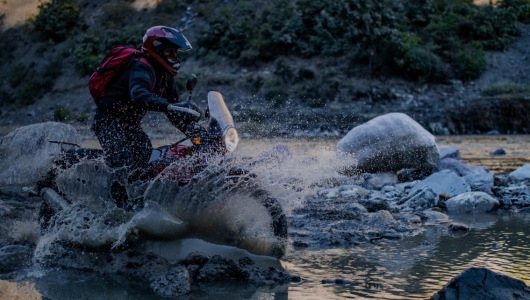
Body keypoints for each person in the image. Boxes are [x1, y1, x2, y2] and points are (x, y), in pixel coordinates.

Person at [91, 26, 201, 184]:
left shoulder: (165, 75)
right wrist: (169, 106)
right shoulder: (141, 67)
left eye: (175, 53)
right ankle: (117, 207)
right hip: (108, 122)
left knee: (145, 159)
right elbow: (139, 94)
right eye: (170, 53)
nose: (174, 58)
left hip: (130, 125)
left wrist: (195, 132)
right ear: (157, 50)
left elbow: (173, 108)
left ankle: (143, 196)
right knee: (123, 165)